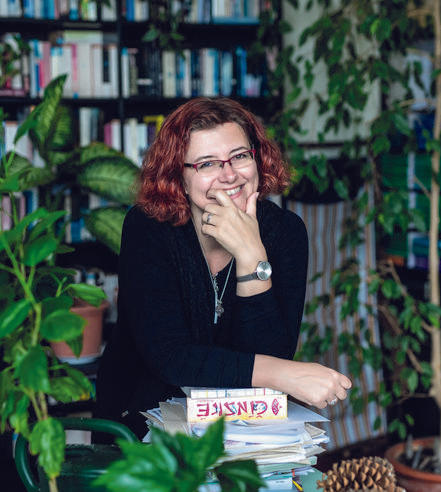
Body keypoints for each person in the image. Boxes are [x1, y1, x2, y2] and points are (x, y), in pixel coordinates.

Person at [95, 97, 351, 438]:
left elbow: (270, 353)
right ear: (178, 176)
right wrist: (282, 374)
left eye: (240, 156)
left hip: (244, 428)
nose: (229, 175)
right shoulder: (148, 228)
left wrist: (250, 254)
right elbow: (171, 357)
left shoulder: (285, 232)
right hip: (143, 424)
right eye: (207, 164)